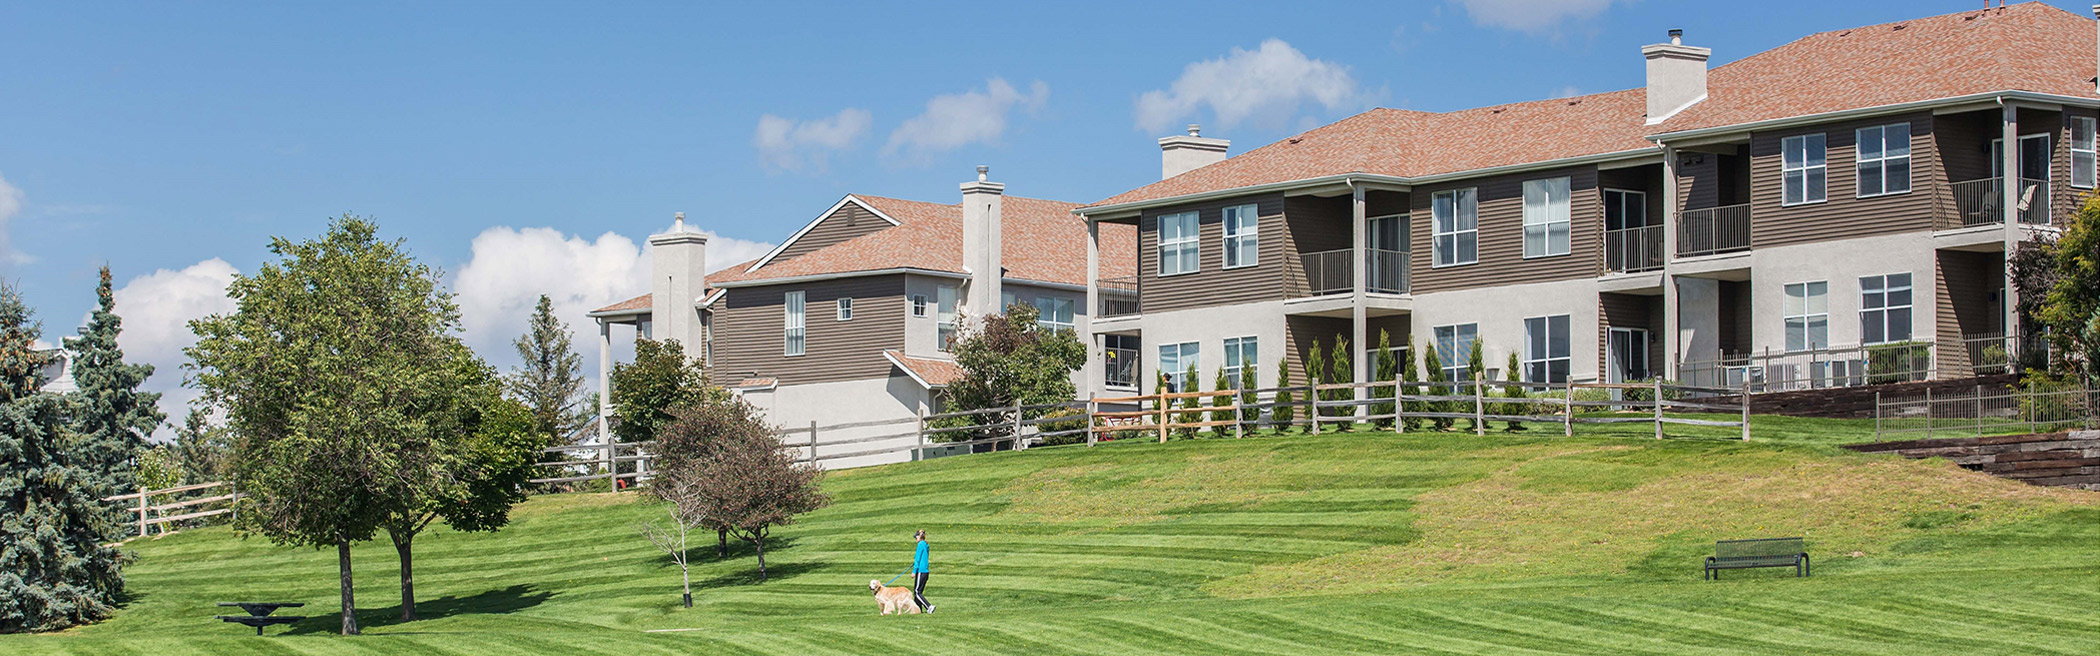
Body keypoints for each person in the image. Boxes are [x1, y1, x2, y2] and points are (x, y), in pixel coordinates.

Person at [910, 529, 934, 613]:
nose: (915, 539)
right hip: (925, 572)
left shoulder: (920, 544)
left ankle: (929, 607)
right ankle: (918, 610)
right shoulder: (926, 544)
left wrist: (914, 571)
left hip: (921, 571)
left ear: (919, 537)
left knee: (917, 592)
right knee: (918, 592)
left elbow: (917, 558)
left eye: (916, 537)